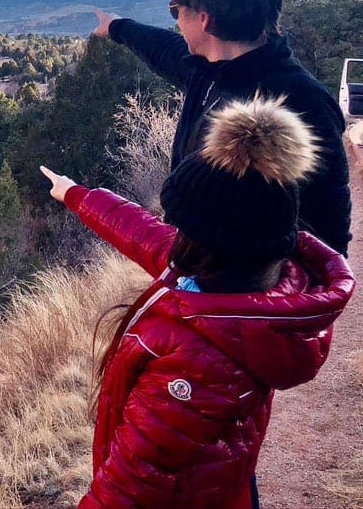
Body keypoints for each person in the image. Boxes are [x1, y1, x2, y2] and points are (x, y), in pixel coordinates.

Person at [40, 96, 355, 509]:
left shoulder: (197, 367)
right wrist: (78, 196)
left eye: (182, 223)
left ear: (209, 243)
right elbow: (145, 234)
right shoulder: (244, 286)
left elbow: (129, 488)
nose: (172, 227)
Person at [93, 0, 351, 255]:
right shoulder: (208, 71)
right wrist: (117, 27)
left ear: (204, 20)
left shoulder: (304, 103)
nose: (175, 21)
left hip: (250, 294)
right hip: (204, 272)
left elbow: (329, 231)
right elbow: (162, 47)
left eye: (176, 11)